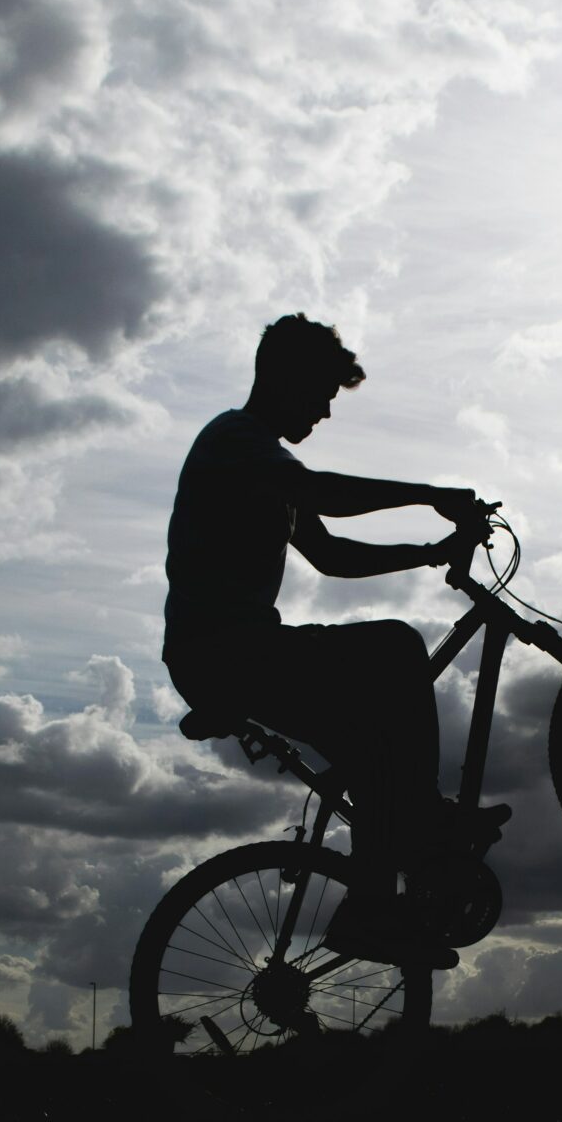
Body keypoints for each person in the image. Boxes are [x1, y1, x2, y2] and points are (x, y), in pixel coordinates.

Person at [162, 313, 495, 969]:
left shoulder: (264, 462)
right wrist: (429, 495)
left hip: (232, 654)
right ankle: (422, 825)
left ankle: (370, 909)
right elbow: (320, 493)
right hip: (224, 652)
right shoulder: (236, 440)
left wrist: (429, 553)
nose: (324, 411)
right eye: (320, 394)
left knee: (375, 750)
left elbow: (331, 554)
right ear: (283, 378)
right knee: (398, 646)